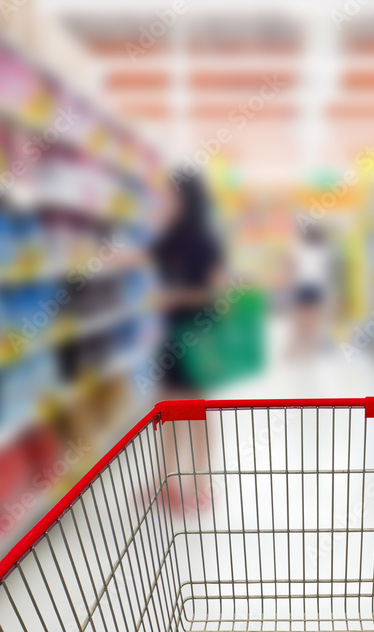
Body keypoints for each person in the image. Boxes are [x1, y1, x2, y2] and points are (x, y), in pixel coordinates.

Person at [150, 170, 224, 515]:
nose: (168, 201)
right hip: (169, 336)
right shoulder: (168, 238)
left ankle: (199, 485)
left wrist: (176, 298)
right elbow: (141, 258)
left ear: (189, 198)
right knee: (168, 410)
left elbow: (216, 293)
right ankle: (169, 481)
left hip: (200, 335)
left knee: (197, 411)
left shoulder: (207, 242)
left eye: (173, 195)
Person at [288, 223, 334, 358]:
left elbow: (292, 266)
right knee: (313, 321)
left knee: (299, 320)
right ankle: (310, 351)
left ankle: (293, 351)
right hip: (317, 288)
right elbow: (327, 273)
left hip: (302, 286)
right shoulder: (324, 251)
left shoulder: (299, 249)